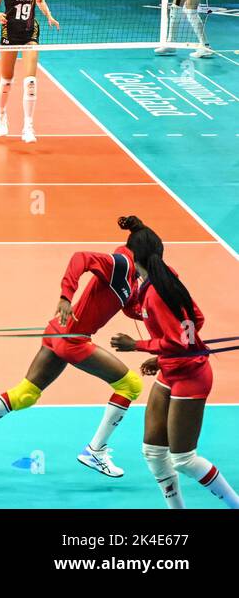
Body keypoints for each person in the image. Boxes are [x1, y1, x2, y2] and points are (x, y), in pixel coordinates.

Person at [0, 220, 152, 478]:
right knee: (130, 385)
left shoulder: (132, 280)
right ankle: (95, 451)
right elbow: (81, 258)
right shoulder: (121, 264)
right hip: (73, 339)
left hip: (58, 333)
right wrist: (66, 296)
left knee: (26, 394)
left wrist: (156, 313)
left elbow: (132, 308)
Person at [109, 215, 238, 509]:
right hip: (172, 368)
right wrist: (162, 355)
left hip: (190, 376)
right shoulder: (167, 276)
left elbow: (179, 340)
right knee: (153, 452)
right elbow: (196, 320)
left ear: (132, 256)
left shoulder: (155, 293)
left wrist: (138, 346)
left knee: (183, 458)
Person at [0, 0, 59, 143]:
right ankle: (1, 114)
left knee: (30, 82)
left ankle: (28, 127)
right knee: (7, 80)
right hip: (9, 32)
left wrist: (49, 16)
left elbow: (40, 0)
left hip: (30, 33)